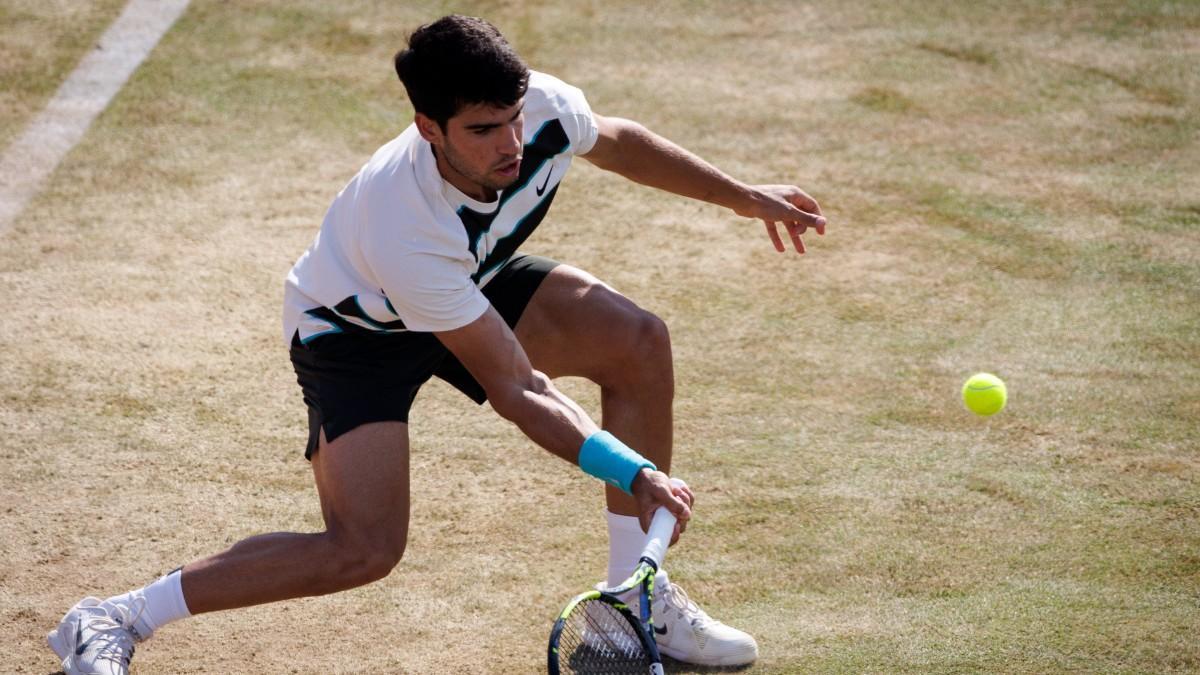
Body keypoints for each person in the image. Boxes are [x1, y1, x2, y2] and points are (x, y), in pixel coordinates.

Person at [48, 14, 825, 674]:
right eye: (483, 131)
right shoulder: (406, 222)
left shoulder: (542, 109)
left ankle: (631, 606)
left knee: (637, 341)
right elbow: (518, 386)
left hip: (466, 279)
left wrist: (742, 196)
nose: (511, 144)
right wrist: (636, 471)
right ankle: (116, 616)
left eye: (513, 118)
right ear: (429, 129)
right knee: (363, 548)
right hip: (356, 331)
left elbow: (617, 141)